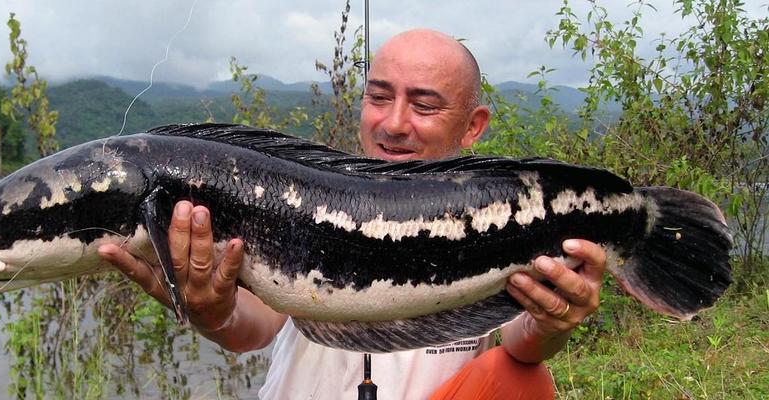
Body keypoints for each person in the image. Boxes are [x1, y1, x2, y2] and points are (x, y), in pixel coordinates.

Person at [99, 29, 607, 399]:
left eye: (424, 106)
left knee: (527, 382)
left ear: (473, 126)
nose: (394, 123)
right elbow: (253, 326)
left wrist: (551, 320)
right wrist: (213, 310)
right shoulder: (298, 196)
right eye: (379, 97)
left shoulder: (507, 216)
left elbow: (520, 346)